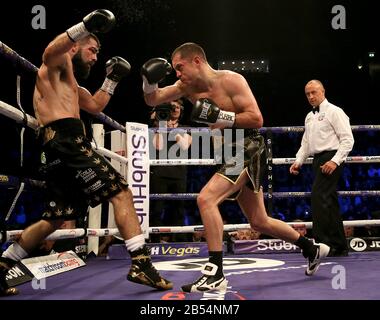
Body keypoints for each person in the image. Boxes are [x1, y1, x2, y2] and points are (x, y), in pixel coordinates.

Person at [0, 9, 172, 296]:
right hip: (67, 143)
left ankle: (4, 265)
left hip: (56, 148)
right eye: (92, 50)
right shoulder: (56, 62)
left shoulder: (69, 82)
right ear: (75, 46)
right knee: (121, 191)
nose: (95, 58)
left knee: (55, 217)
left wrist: (112, 80)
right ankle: (141, 263)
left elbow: (94, 106)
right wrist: (83, 27)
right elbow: (50, 49)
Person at [141, 42, 330, 293]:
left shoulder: (231, 81)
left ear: (196, 61)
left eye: (179, 67)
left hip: (247, 147)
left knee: (206, 199)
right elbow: (152, 98)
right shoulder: (184, 87)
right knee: (259, 221)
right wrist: (148, 80)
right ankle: (311, 248)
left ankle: (215, 272)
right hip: (225, 152)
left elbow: (257, 118)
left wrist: (218, 116)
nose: (176, 73)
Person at [290, 79, 354, 257]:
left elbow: (348, 139)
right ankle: (339, 246)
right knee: (329, 202)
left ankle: (321, 246)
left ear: (323, 91)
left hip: (332, 157)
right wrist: (298, 161)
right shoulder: (309, 116)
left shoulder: (335, 111)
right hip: (317, 159)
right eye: (308, 94)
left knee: (319, 198)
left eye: (314, 92)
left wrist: (335, 161)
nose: (311, 96)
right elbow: (306, 142)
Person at [149, 99, 192, 242]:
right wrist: (162, 125)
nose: (174, 109)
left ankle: (178, 241)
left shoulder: (186, 128)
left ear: (181, 110)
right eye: (171, 107)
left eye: (177, 107)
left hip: (179, 173)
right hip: (159, 172)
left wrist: (172, 130)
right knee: (156, 208)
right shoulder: (157, 127)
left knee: (178, 209)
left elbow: (185, 145)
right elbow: (158, 147)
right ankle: (154, 240)